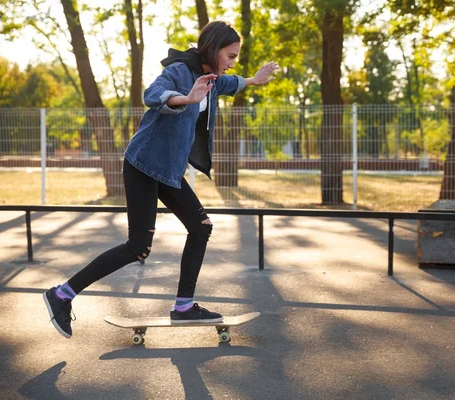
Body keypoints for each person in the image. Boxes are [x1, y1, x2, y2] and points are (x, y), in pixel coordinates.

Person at [43, 21, 280, 338]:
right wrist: (187, 98)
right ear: (213, 48)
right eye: (231, 55)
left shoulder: (212, 78)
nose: (233, 62)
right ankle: (62, 294)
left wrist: (252, 80)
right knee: (137, 248)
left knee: (201, 227)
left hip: (168, 170)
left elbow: (228, 83)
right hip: (143, 164)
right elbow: (152, 94)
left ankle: (183, 306)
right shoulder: (181, 71)